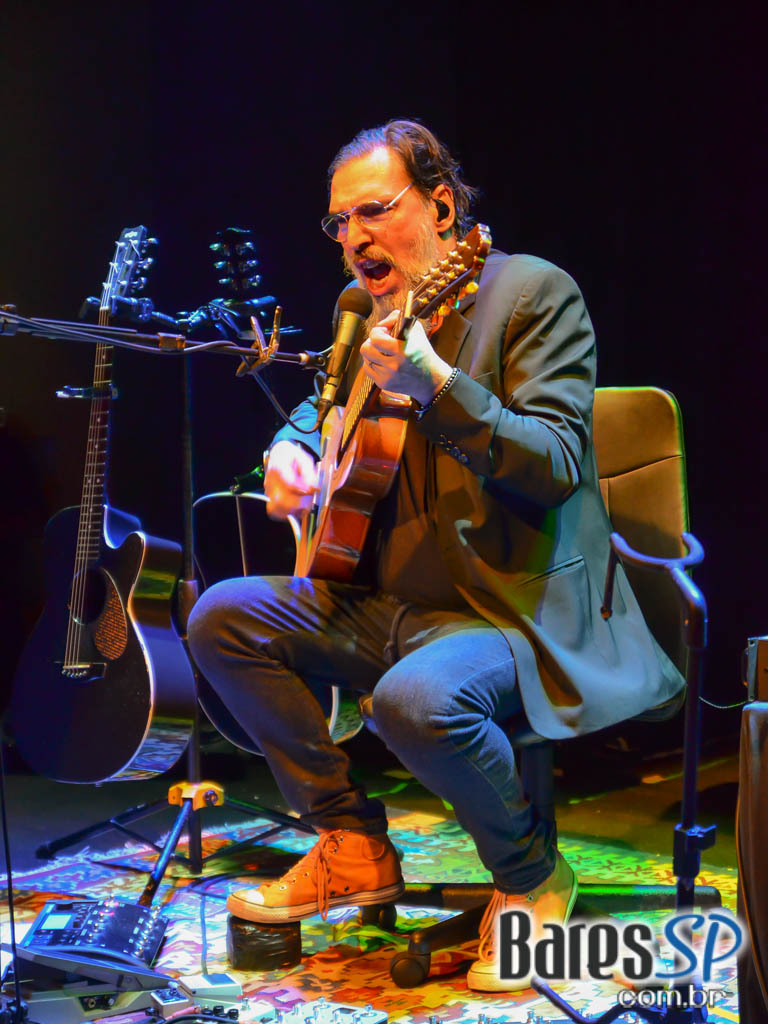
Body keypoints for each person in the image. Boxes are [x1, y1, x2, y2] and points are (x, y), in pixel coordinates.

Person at [187, 119, 684, 991]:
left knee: (414, 701)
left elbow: (556, 463)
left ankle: (533, 876)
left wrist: (439, 387)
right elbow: (322, 407)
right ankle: (350, 842)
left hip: (514, 614)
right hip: (391, 605)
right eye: (339, 222)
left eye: (373, 211)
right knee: (220, 616)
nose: (354, 238)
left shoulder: (531, 294)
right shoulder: (361, 312)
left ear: (442, 207)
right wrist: (290, 449)